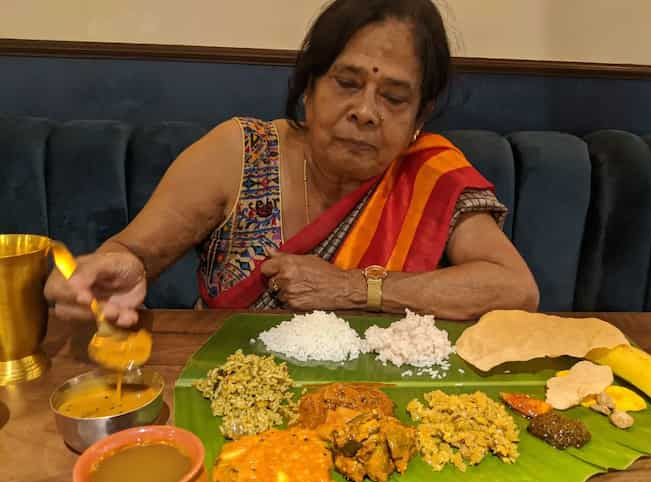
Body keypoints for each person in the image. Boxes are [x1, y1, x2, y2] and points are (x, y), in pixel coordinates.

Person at [45, 0, 539, 325]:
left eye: (393, 97)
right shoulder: (240, 153)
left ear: (418, 116)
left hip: (378, 407)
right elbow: (133, 254)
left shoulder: (428, 172)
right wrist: (118, 268)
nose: (365, 112)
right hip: (230, 391)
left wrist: (351, 288)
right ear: (308, 88)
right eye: (347, 83)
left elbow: (516, 288)